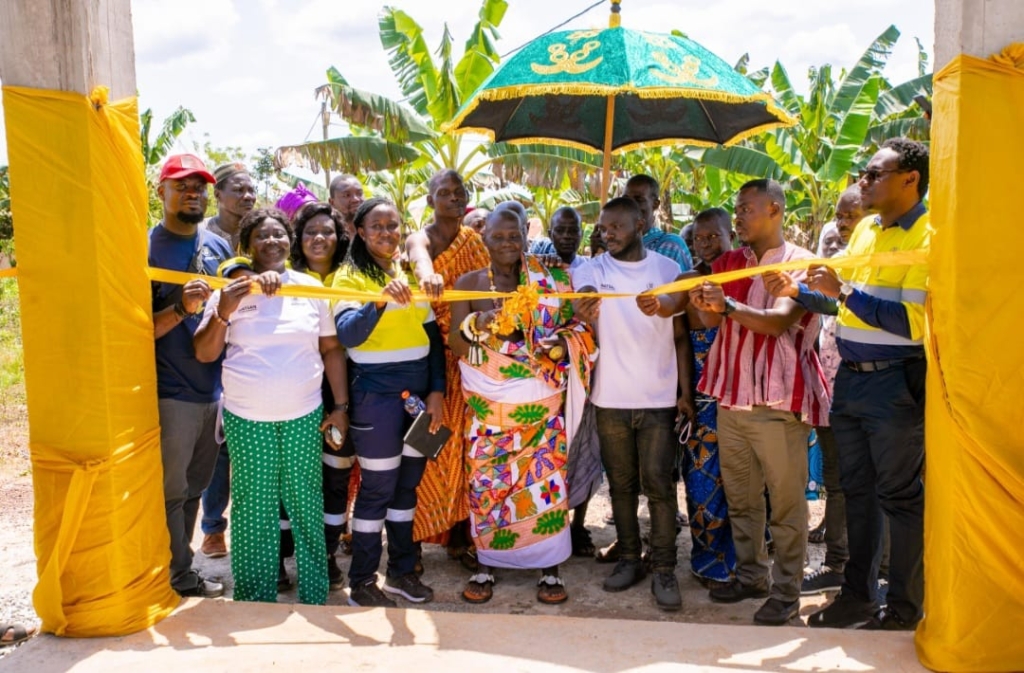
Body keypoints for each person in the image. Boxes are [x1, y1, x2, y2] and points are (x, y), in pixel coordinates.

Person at [791, 139, 930, 631]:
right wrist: (800, 292)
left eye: (874, 174)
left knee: (899, 498)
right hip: (851, 380)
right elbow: (841, 303)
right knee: (858, 494)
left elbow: (912, 323)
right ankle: (858, 599)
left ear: (910, 179)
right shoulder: (869, 229)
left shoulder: (929, 235)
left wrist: (843, 291)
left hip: (894, 384)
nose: (863, 182)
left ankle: (905, 609)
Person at [688, 178, 829, 626]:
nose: (738, 217)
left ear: (774, 209)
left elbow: (778, 323)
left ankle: (786, 593)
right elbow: (710, 319)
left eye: (746, 208)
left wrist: (727, 305)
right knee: (743, 500)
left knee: (786, 507)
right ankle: (751, 577)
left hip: (778, 403)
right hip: (731, 399)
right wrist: (701, 303)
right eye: (736, 209)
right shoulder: (731, 262)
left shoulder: (804, 265)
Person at [193, 207, 348, 605]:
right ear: (247, 245)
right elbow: (205, 352)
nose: (271, 241)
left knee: (306, 502)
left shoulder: (309, 287)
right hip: (247, 416)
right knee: (254, 508)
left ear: (290, 241)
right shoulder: (229, 290)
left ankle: (314, 593)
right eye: (261, 235)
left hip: (303, 413)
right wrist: (224, 310)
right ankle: (254, 597)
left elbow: (331, 349)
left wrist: (340, 407)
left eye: (278, 234)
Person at [448, 209, 597, 604]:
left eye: (514, 236)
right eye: (498, 237)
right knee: (489, 487)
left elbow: (578, 328)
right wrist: (479, 324)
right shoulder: (468, 284)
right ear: (484, 238)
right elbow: (456, 345)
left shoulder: (552, 280)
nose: (507, 244)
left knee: (544, 488)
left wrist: (561, 344)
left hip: (541, 412)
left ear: (526, 238)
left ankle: (549, 568)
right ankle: (487, 565)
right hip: (490, 413)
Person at [573, 197, 694, 612]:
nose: (607, 234)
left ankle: (664, 567)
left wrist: (685, 393)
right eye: (603, 228)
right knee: (621, 486)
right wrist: (584, 303)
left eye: (616, 227)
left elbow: (680, 335)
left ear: (640, 224)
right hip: (610, 399)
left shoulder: (667, 270)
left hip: (658, 399)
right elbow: (582, 295)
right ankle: (628, 558)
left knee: (659, 485)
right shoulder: (593, 269)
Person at [334, 197, 445, 607]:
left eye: (393, 225)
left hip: (416, 398)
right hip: (374, 396)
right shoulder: (347, 277)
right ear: (360, 232)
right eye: (377, 226)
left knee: (406, 487)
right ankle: (363, 580)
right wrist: (377, 301)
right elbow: (348, 334)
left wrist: (436, 392)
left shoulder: (409, 274)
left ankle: (401, 572)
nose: (386, 233)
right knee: (378, 488)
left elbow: (432, 340)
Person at [149, 153, 232, 598]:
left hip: (213, 392)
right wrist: (181, 308)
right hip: (170, 392)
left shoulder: (218, 247)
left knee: (195, 487)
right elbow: (133, 329)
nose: (192, 193)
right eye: (181, 185)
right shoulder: (144, 248)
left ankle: (180, 573)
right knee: (170, 491)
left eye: (199, 187)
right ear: (160, 191)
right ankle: (171, 578)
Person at [405, 170, 489, 568]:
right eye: (445, 192)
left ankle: (459, 537)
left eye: (460, 192)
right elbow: (419, 259)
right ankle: (411, 543)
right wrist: (429, 276)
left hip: (469, 359)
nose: (454, 198)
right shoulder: (419, 237)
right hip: (428, 363)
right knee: (426, 452)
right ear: (430, 199)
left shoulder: (474, 241)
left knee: (464, 453)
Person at [277, 202, 355, 593]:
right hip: (294, 389)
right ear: (298, 239)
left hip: (344, 390)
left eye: (327, 231)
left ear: (340, 238)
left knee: (335, 476)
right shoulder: (283, 278)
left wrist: (341, 405)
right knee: (286, 477)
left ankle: (325, 555)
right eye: (310, 232)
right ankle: (279, 556)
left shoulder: (354, 277)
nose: (319, 238)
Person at [199, 162, 257, 560]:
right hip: (213, 341)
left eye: (251, 190)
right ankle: (213, 528)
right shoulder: (202, 238)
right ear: (218, 194)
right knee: (217, 442)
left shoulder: (260, 236)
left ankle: (258, 525)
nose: (247, 196)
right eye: (238, 189)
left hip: (252, 345)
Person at [680, 207, 737, 586]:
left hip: (742, 394)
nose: (705, 244)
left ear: (731, 235)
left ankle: (746, 559)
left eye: (713, 236)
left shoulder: (746, 278)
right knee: (702, 482)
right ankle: (709, 560)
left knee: (744, 482)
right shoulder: (686, 282)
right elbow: (681, 340)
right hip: (702, 396)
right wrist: (686, 394)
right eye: (699, 238)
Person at [623, 174, 693, 272]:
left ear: (655, 204)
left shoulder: (671, 245)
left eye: (639, 200)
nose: (630, 205)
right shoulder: (614, 243)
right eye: (626, 199)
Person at [328, 174, 366, 239]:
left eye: (359, 193)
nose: (355, 199)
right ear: (332, 202)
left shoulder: (373, 232)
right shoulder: (329, 236)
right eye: (347, 195)